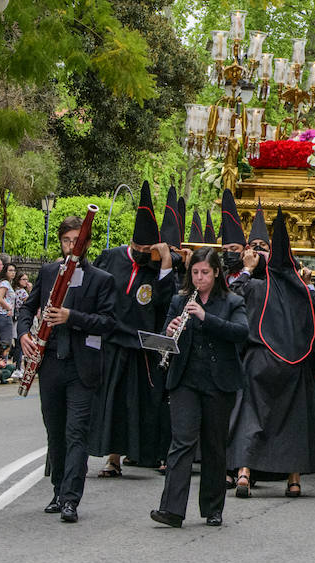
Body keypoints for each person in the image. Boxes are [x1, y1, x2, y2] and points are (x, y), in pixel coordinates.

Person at [18, 214, 116, 523]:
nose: (71, 246)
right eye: (66, 241)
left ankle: (71, 499)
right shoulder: (48, 272)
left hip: (82, 366)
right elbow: (26, 308)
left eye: (77, 241)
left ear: (86, 242)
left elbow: (108, 323)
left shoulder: (102, 279)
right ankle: (58, 490)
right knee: (55, 432)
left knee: (77, 433)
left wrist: (71, 316)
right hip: (51, 365)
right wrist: (23, 335)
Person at [228, 212, 315, 498]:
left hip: (259, 360)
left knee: (251, 415)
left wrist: (246, 269)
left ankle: (244, 473)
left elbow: (233, 293)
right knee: (293, 420)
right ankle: (294, 480)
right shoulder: (304, 291)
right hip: (294, 364)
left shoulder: (257, 286)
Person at [151, 248, 248, 529]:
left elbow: (241, 332)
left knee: (214, 446)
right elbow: (166, 339)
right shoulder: (179, 300)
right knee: (181, 442)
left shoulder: (232, 301)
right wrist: (170, 331)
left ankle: (213, 509)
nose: (199, 278)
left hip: (219, 383)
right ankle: (171, 509)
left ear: (216, 272)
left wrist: (206, 317)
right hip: (185, 381)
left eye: (205, 272)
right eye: (194, 272)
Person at [89, 182, 180, 477]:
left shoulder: (158, 269)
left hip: (142, 348)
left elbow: (167, 303)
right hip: (112, 342)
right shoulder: (111, 258)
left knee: (136, 404)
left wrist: (165, 261)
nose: (142, 253)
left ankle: (139, 454)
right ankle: (113, 458)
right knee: (111, 403)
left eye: (148, 249)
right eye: (138, 248)